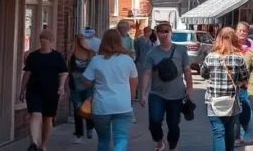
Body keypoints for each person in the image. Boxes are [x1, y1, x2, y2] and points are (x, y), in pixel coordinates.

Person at [140, 21, 194, 151]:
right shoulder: (152, 53)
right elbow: (147, 73)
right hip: (156, 94)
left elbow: (187, 70)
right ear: (157, 34)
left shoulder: (180, 50)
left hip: (177, 95)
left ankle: (172, 146)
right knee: (154, 121)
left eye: (166, 31)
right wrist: (143, 92)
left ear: (171, 33)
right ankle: (159, 141)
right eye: (160, 32)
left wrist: (189, 89)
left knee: (173, 125)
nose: (163, 34)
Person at [83, 29, 138, 151]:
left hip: (102, 106)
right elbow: (134, 82)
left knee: (103, 139)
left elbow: (86, 81)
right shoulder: (127, 60)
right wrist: (131, 97)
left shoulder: (96, 60)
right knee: (121, 137)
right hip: (123, 104)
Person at [200, 27, 251, 151]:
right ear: (234, 39)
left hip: (213, 100)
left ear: (219, 39)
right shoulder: (238, 58)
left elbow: (203, 74)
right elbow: (245, 78)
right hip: (231, 100)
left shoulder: (210, 57)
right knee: (229, 130)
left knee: (218, 132)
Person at [19, 29, 68, 151]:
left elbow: (63, 72)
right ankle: (34, 143)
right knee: (35, 114)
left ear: (51, 41)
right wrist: (22, 89)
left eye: (45, 40)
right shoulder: (33, 56)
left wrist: (61, 86)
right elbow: (27, 73)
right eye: (41, 40)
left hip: (51, 91)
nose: (43, 42)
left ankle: (43, 145)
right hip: (34, 90)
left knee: (47, 118)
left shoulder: (57, 56)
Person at [68, 34, 97, 142]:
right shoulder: (72, 54)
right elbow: (69, 70)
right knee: (78, 109)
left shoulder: (91, 53)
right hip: (75, 85)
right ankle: (79, 134)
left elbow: (95, 69)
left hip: (88, 84)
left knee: (87, 108)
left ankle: (89, 128)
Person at [234, 22, 253, 146]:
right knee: (235, 111)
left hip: (247, 83)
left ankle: (243, 130)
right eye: (240, 30)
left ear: (248, 33)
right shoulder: (232, 44)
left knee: (247, 109)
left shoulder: (251, 44)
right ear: (236, 31)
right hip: (233, 83)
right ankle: (237, 136)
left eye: (244, 31)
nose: (242, 33)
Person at [134, 27, 153, 101]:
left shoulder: (150, 40)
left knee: (144, 79)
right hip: (140, 61)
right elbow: (137, 51)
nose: (149, 33)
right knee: (139, 78)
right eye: (148, 32)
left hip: (147, 62)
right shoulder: (139, 40)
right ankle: (137, 93)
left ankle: (142, 94)